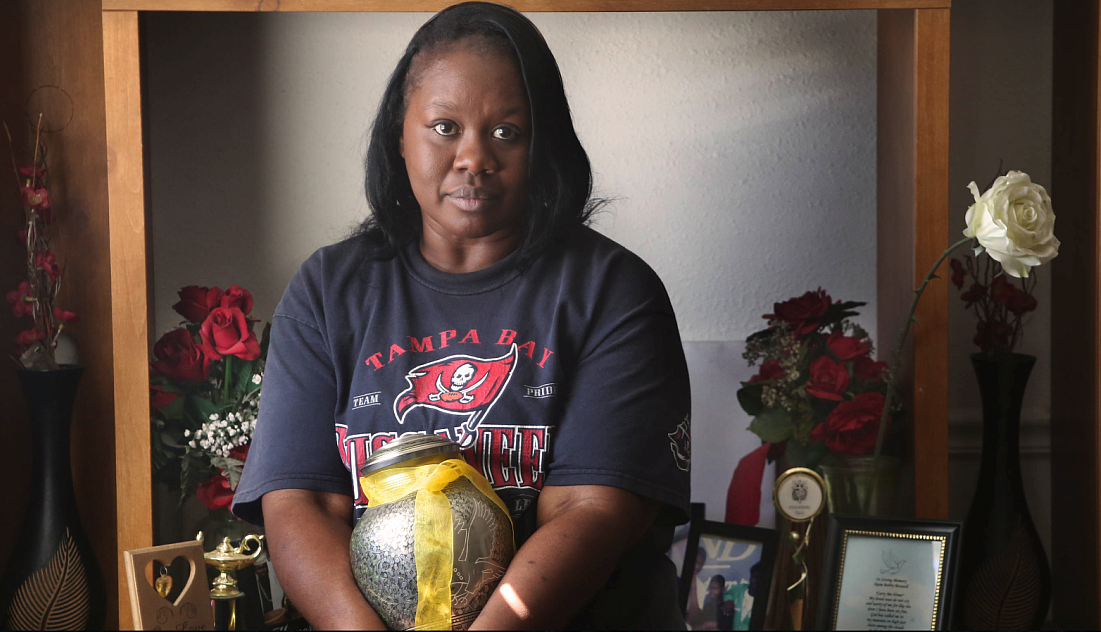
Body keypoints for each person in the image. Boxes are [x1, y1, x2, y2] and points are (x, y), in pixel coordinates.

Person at [230, 2, 692, 629]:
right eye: (445, 127)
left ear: (544, 142)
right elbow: (302, 502)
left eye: (507, 131)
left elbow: (590, 510)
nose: (474, 157)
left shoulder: (613, 291)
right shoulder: (327, 289)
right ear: (401, 133)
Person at [722, 563, 761, 631]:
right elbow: (725, 594)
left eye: (760, 578)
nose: (757, 581)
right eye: (755, 577)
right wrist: (728, 600)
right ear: (750, 577)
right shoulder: (739, 589)